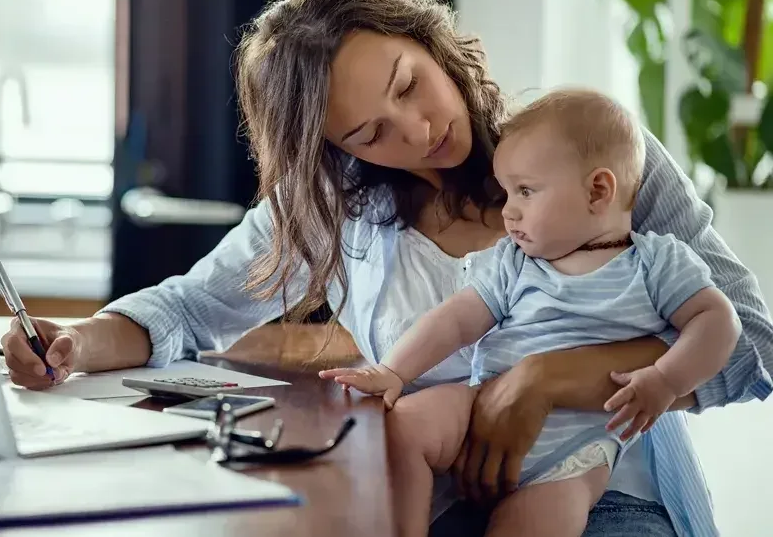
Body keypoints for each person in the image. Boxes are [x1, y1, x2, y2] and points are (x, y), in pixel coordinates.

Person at [0, 0, 773, 536]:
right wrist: (73, 343)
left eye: (409, 84)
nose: (417, 128)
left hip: (606, 497)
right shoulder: (339, 204)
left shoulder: (593, 155)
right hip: (428, 502)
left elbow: (753, 348)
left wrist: (541, 380)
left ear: (428, 40)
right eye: (369, 132)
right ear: (337, 150)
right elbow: (187, 308)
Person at [318, 89, 742, 537]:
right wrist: (394, 372)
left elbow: (720, 320)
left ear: (598, 190)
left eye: (525, 191)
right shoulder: (516, 262)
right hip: (481, 406)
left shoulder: (656, 263)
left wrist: (667, 379)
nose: (508, 211)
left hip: (573, 458)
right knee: (402, 428)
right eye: (505, 193)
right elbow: (456, 320)